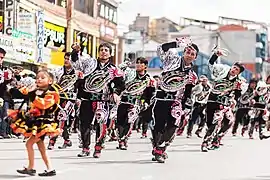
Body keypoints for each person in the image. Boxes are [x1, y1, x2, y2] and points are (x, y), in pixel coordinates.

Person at [71, 42, 125, 158]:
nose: (103, 52)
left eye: (106, 50)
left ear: (110, 54)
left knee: (101, 123)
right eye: (101, 49)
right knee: (84, 124)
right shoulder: (90, 63)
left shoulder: (114, 69)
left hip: (102, 100)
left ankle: (98, 147)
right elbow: (76, 63)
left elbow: (120, 85)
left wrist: (115, 93)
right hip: (87, 98)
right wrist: (75, 52)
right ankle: (85, 148)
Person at [151, 38, 199, 163]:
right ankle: (157, 147)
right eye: (188, 52)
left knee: (173, 125)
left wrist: (186, 107)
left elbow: (188, 93)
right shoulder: (172, 60)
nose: (189, 55)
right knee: (159, 125)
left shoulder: (192, 76)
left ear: (195, 58)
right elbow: (160, 48)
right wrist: (176, 44)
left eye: (192, 54)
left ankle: (160, 149)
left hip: (176, 101)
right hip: (161, 97)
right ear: (183, 52)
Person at [8, 70, 61, 176]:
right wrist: (13, 90)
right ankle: (50, 169)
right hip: (36, 122)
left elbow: (43, 105)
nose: (39, 79)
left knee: (29, 144)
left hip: (44, 123)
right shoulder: (36, 91)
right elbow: (23, 93)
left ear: (50, 81)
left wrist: (32, 94)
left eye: (42, 78)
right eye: (37, 78)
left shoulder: (51, 94)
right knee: (41, 148)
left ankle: (31, 168)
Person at [116, 57, 155, 150]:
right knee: (120, 121)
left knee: (129, 120)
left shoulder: (149, 79)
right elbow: (119, 72)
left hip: (135, 102)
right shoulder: (130, 74)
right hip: (124, 100)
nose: (138, 64)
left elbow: (149, 93)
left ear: (145, 66)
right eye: (137, 63)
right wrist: (125, 64)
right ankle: (120, 139)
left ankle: (123, 139)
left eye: (141, 63)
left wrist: (146, 102)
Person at [48, 52, 78, 149]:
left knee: (62, 116)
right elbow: (52, 85)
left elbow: (80, 87)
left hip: (71, 99)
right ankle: (67, 140)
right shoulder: (58, 71)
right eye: (65, 58)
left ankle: (52, 141)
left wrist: (79, 98)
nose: (66, 60)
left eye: (68, 59)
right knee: (58, 119)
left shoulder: (77, 72)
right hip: (59, 98)